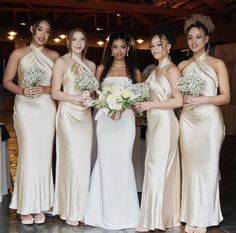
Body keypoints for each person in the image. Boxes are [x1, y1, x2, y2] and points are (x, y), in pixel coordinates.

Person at [3, 17, 60, 224]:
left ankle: (41, 204)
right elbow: (7, 81)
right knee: (28, 153)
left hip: (46, 108)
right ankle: (26, 204)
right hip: (25, 108)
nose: (43, 34)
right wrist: (23, 90)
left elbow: (58, 85)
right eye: (40, 30)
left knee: (43, 156)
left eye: (47, 31)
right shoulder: (18, 53)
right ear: (32, 30)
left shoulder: (54, 56)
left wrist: (45, 89)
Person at [84, 31, 142, 230]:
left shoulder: (134, 71)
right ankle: (100, 212)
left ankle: (124, 213)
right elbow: (95, 94)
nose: (118, 50)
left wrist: (124, 106)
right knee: (105, 160)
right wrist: (107, 105)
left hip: (125, 122)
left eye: (122, 47)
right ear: (110, 49)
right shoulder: (101, 68)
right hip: (106, 121)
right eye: (115, 46)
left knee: (123, 162)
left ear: (128, 49)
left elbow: (139, 99)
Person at [178, 15, 230, 233]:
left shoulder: (217, 63)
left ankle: (204, 216)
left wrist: (203, 99)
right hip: (188, 121)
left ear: (207, 39)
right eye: (190, 38)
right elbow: (176, 95)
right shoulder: (181, 65)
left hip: (209, 121)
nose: (194, 42)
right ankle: (191, 214)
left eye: (198, 37)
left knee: (207, 169)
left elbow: (226, 97)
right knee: (190, 169)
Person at [134, 25, 183, 232]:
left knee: (157, 168)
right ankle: (163, 216)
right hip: (154, 123)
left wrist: (149, 105)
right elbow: (151, 96)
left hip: (165, 123)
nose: (154, 48)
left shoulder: (172, 70)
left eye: (159, 45)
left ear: (168, 46)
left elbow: (178, 101)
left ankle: (151, 220)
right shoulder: (155, 70)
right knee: (154, 168)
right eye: (152, 45)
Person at [51, 28, 95, 226]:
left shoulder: (91, 65)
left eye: (82, 39)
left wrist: (89, 100)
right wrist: (76, 98)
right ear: (68, 41)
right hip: (67, 114)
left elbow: (92, 93)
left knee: (83, 161)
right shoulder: (61, 62)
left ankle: (82, 208)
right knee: (70, 160)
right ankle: (69, 208)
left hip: (84, 116)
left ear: (86, 43)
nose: (78, 43)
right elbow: (55, 93)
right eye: (74, 39)